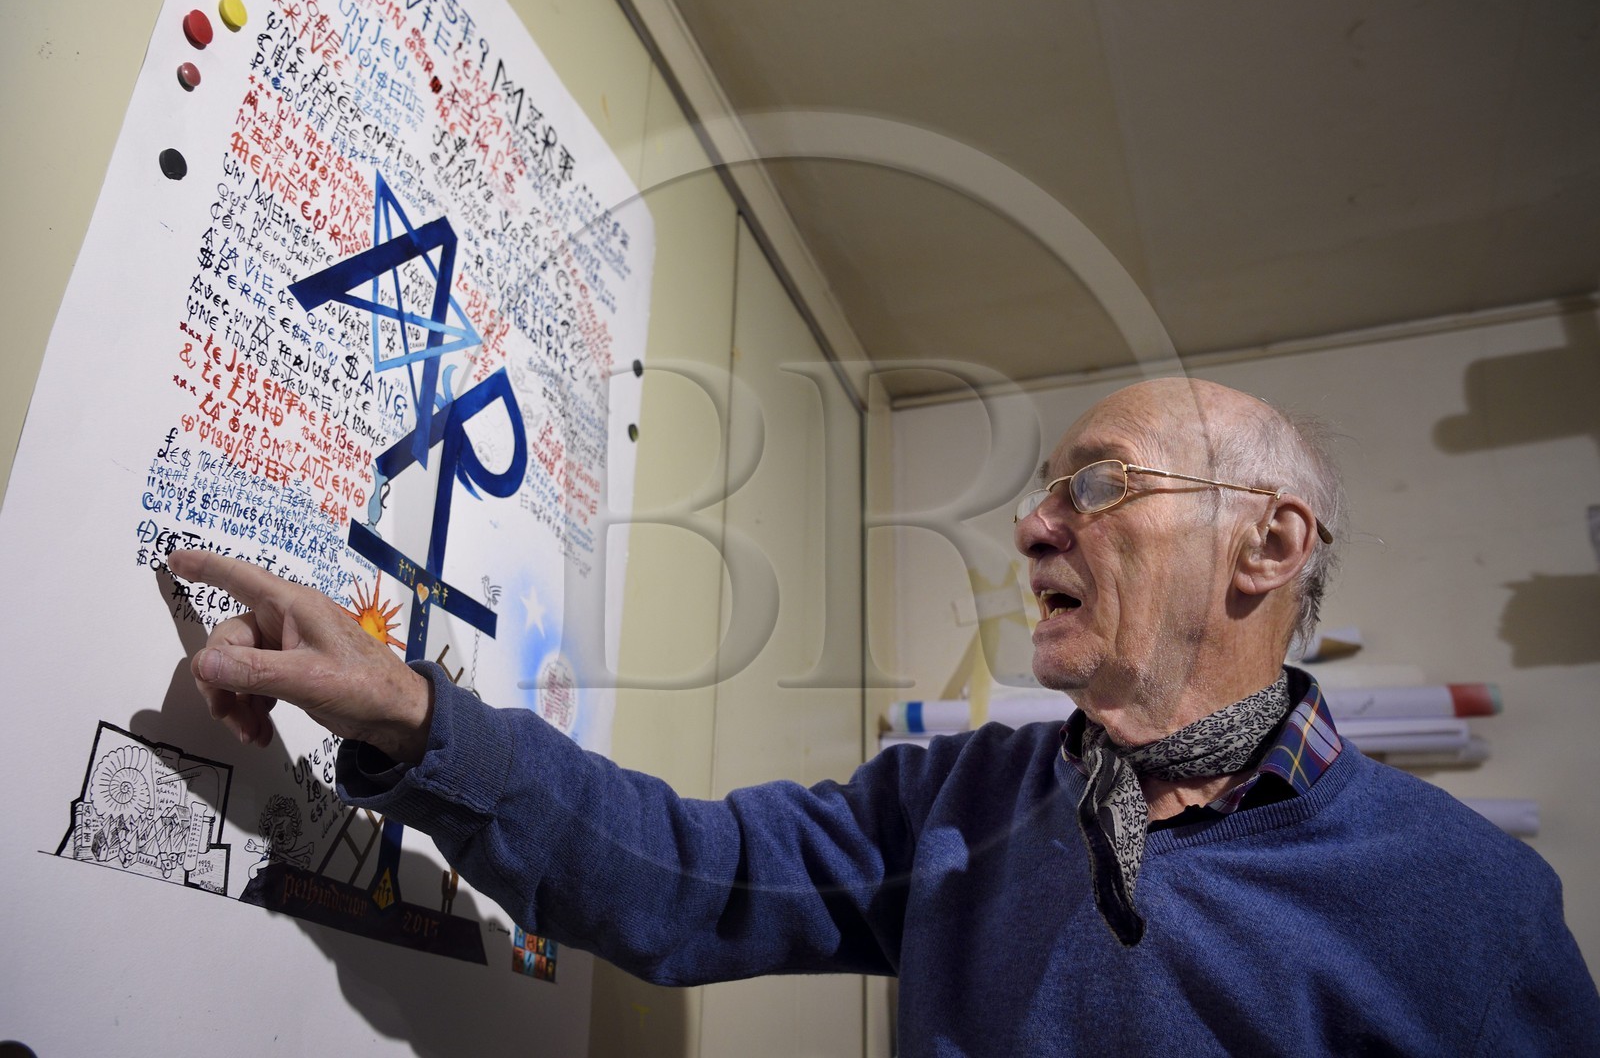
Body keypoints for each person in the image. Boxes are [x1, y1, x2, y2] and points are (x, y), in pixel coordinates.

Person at [170, 378, 1600, 1055]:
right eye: (1043, 491)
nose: (1035, 527)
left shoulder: (1470, 905)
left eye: (1095, 487)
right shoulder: (957, 803)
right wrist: (417, 713)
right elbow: (686, 880)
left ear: (1269, 549)